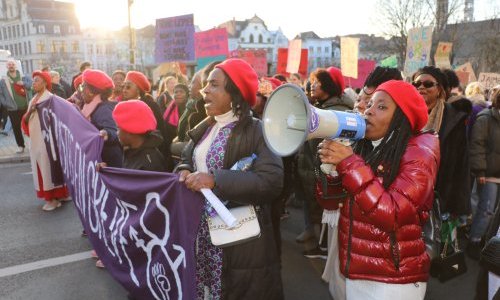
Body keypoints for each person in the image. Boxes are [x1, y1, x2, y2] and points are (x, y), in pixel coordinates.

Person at [318, 80, 439, 299]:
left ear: (402, 117)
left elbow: (391, 214)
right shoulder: (364, 146)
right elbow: (329, 203)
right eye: (370, 104)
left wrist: (349, 164)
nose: (369, 111)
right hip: (357, 269)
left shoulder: (420, 153)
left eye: (381, 107)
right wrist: (332, 171)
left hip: (392, 279)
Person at [176, 58, 284, 299]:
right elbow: (187, 158)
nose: (204, 90)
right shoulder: (205, 127)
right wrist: (183, 169)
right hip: (202, 233)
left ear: (234, 93)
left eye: (214, 85)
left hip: (238, 242)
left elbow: (271, 181)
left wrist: (216, 180)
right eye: (206, 84)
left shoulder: (257, 131)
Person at [297, 67, 353, 260]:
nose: (313, 85)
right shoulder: (320, 106)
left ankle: (324, 248)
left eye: (318, 82)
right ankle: (320, 242)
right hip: (311, 169)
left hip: (321, 172)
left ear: (330, 85)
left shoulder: (336, 112)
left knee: (324, 211)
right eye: (312, 81)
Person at [412, 66, 471, 221]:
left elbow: (461, 166)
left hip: (440, 196)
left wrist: (457, 208)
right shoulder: (405, 115)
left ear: (439, 89)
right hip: (409, 192)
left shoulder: (454, 120)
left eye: (428, 84)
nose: (421, 87)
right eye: (416, 84)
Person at [21, 71, 69, 211]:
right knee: (43, 168)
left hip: (48, 142)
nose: (34, 83)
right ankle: (55, 196)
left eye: (36, 80)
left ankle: (54, 199)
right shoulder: (34, 99)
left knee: (49, 169)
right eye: (34, 80)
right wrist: (31, 111)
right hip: (37, 139)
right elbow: (25, 119)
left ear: (45, 83)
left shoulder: (51, 99)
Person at [468, 88, 500, 259]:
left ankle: (487, 242)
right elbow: (477, 145)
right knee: (486, 210)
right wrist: (480, 170)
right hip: (488, 172)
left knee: (494, 214)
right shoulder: (486, 118)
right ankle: (474, 240)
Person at [122, 71, 172, 171]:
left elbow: (157, 134)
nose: (124, 90)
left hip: (149, 159)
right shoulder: (126, 104)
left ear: (138, 89)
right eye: (123, 87)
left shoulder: (149, 105)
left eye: (128, 87)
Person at [80, 69, 122, 168]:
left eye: (82, 87)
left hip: (109, 163)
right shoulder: (91, 107)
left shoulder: (103, 109)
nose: (80, 91)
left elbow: (114, 132)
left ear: (90, 92)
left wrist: (106, 133)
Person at [112, 100, 167, 172]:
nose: (117, 133)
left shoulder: (148, 163)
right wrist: (107, 172)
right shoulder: (132, 150)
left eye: (118, 128)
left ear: (130, 130)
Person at [0, 59, 29, 153]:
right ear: (7, 67)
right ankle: (21, 146)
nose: (11, 66)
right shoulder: (3, 80)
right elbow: (1, 94)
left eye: (12, 64)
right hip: (13, 108)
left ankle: (33, 144)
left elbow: (31, 86)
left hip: (25, 107)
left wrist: (24, 83)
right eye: (9, 64)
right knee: (16, 128)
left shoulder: (23, 77)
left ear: (15, 66)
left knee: (30, 127)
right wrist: (6, 104)